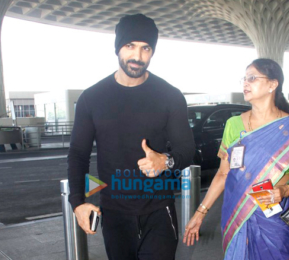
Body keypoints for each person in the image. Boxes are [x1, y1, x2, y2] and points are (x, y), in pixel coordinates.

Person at [68, 14, 195, 260]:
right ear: (118, 48)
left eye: (145, 48)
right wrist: (78, 203)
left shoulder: (170, 96)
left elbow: (186, 150)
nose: (137, 56)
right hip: (114, 214)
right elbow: (78, 154)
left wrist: (165, 161)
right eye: (130, 46)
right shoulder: (91, 98)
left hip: (159, 210)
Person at [183, 58, 289, 260]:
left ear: (272, 84)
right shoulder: (233, 125)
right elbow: (223, 174)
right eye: (244, 78)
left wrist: (285, 190)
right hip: (237, 210)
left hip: (277, 214)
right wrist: (199, 214)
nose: (245, 83)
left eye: (252, 78)